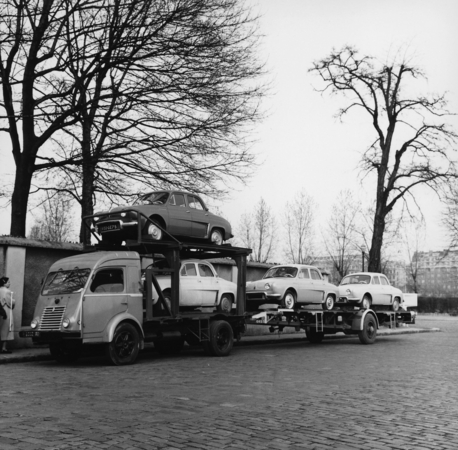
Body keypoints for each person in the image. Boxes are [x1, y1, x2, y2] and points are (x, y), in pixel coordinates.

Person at [0, 276, 15, 354]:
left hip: (0, 310)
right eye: (8, 282)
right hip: (6, 309)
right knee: (6, 328)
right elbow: (10, 303)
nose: (10, 283)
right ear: (4, 283)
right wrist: (14, 301)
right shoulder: (7, 291)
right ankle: (4, 348)